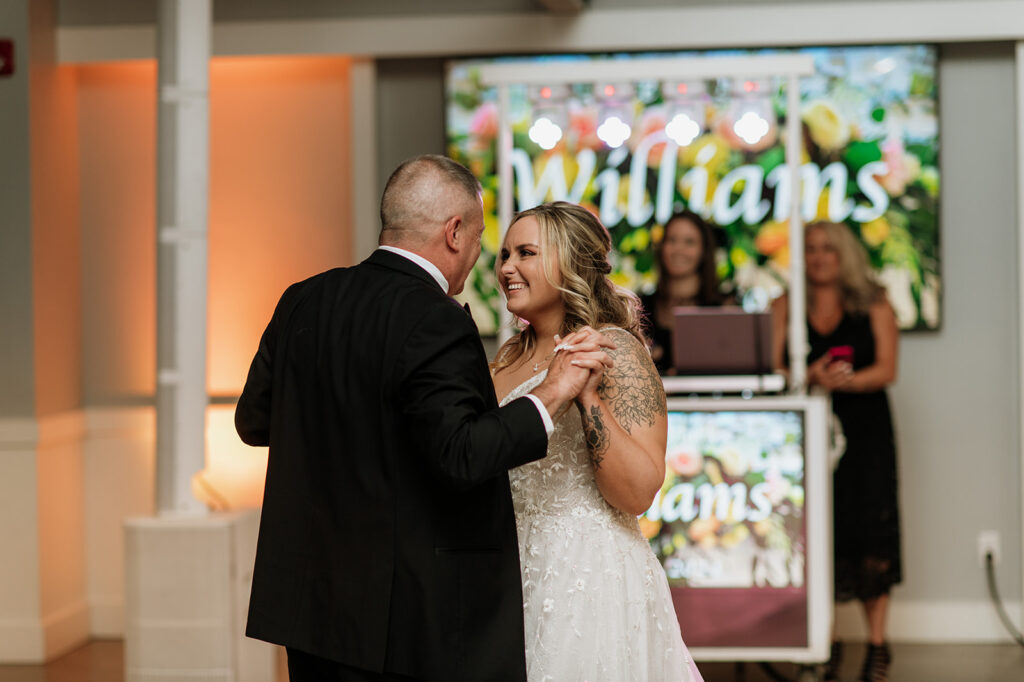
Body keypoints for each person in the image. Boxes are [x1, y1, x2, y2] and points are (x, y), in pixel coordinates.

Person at [235, 155, 613, 682]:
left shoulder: (303, 298)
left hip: (311, 604)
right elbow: (462, 454)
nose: (486, 258)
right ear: (454, 232)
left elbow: (253, 422)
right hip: (401, 613)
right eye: (483, 241)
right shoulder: (436, 318)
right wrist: (550, 393)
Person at [490, 201, 703, 682]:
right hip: (511, 572)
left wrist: (587, 399)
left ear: (571, 262)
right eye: (504, 255)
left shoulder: (612, 349)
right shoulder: (504, 361)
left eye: (526, 253)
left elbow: (639, 492)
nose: (506, 268)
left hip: (586, 578)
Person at [771, 221, 901, 682]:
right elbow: (773, 366)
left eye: (828, 248)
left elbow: (887, 368)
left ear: (844, 254)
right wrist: (809, 378)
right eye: (809, 249)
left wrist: (843, 380)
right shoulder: (785, 305)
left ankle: (878, 645)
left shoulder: (876, 303)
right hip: (807, 429)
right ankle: (822, 640)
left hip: (865, 432)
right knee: (814, 534)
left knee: (870, 530)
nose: (819, 257)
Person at [640, 210, 726, 374]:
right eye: (672, 240)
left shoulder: (723, 308)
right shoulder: (640, 308)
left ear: (704, 251)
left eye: (689, 242)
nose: (678, 249)